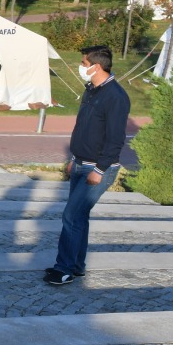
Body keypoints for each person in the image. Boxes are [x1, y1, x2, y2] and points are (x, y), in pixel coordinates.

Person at [47, 44, 129, 286]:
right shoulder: (91, 90)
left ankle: (63, 269)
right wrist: (75, 159)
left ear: (97, 66)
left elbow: (115, 139)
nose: (80, 67)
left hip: (99, 169)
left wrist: (100, 170)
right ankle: (76, 266)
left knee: (71, 216)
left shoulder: (116, 97)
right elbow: (84, 129)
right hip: (81, 164)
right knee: (79, 218)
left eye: (84, 63)